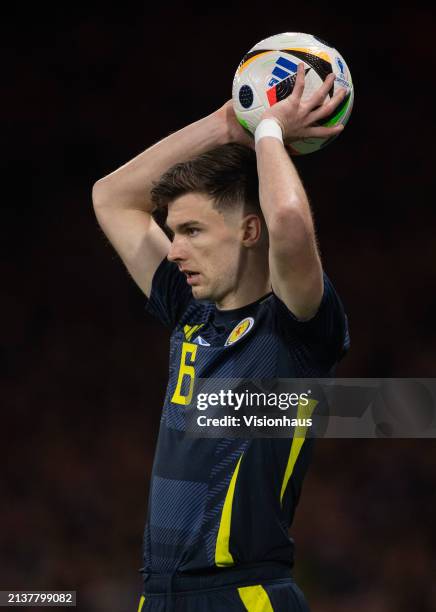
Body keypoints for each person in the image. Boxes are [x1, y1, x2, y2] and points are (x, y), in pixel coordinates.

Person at [92, 62, 349, 611]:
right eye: (171, 232)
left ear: (249, 232)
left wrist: (270, 132)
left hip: (245, 595)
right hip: (157, 597)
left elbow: (288, 219)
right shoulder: (190, 312)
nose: (174, 248)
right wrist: (231, 119)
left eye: (191, 231)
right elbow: (111, 196)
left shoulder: (295, 331)